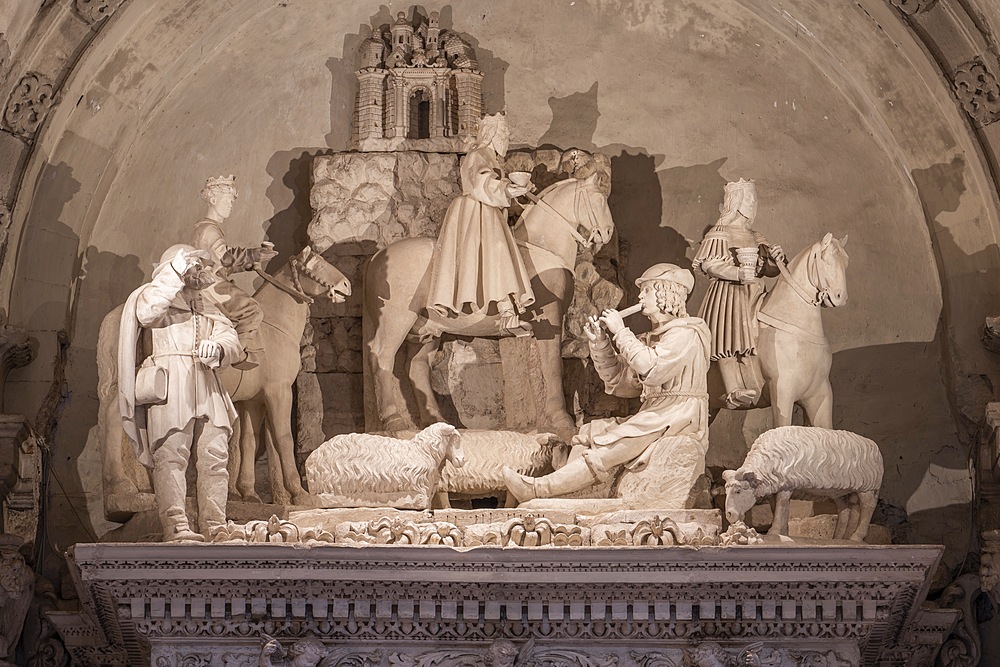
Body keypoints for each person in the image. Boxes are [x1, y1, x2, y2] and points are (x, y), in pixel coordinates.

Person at [502, 263, 711, 501]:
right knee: (591, 432)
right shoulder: (655, 338)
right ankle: (568, 495)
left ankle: (540, 490)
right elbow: (621, 382)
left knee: (612, 443)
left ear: (666, 293)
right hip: (655, 413)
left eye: (647, 290)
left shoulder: (686, 333)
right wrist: (600, 343)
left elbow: (651, 368)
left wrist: (621, 331)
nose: (640, 296)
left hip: (677, 416)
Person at [118, 244, 243, 542]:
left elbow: (232, 339)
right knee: (172, 455)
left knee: (215, 456)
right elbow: (147, 313)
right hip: (172, 384)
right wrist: (174, 271)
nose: (201, 273)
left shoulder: (206, 305)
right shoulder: (156, 296)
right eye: (195, 266)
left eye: (201, 267)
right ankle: (175, 525)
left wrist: (220, 348)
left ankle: (215, 524)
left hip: (208, 386)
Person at [427, 113, 535, 334]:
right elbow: (481, 180)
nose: (507, 137)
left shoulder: (492, 158)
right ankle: (506, 310)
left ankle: (507, 307)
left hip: (487, 211)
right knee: (497, 250)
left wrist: (517, 191)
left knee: (499, 252)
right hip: (477, 212)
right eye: (504, 133)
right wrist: (506, 188)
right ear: (492, 134)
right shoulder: (478, 154)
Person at [692, 179, 784, 408]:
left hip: (755, 293)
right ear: (738, 202)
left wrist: (775, 261)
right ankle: (732, 387)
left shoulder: (756, 235)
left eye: (754, 199)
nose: (754, 204)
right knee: (729, 332)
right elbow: (710, 264)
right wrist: (737, 273)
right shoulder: (720, 232)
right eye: (750, 198)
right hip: (729, 294)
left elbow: (766, 270)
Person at [192, 175, 278, 370]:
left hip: (211, 278)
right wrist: (254, 254)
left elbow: (224, 264)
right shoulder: (209, 229)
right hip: (210, 284)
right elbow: (225, 259)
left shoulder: (209, 228)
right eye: (228, 200)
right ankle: (235, 353)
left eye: (232, 201)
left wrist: (253, 259)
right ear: (214, 200)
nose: (231, 205)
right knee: (251, 310)